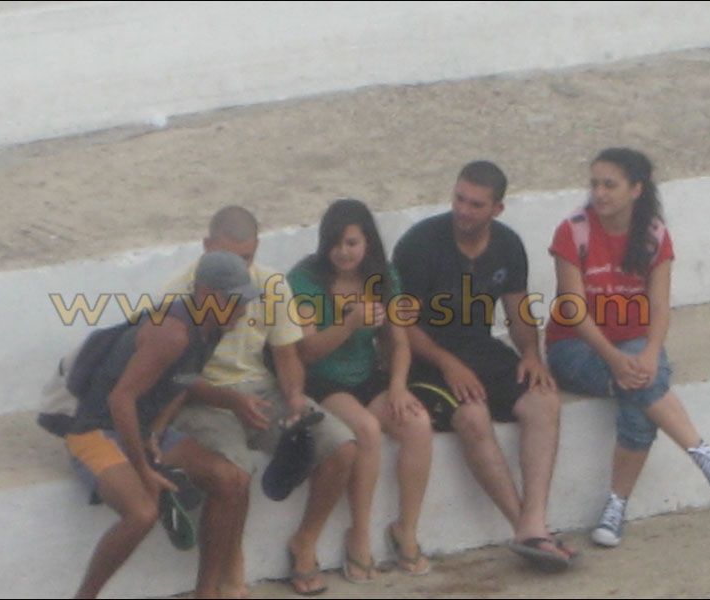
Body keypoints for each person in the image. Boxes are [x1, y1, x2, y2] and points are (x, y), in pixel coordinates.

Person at [545, 147, 710, 547]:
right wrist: (615, 359)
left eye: (610, 185)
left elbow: (660, 306)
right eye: (595, 184)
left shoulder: (653, 235)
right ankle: (700, 451)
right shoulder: (573, 231)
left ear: (636, 189)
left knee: (640, 387)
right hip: (575, 345)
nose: (599, 193)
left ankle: (615, 507)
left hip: (633, 339)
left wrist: (650, 352)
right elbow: (574, 311)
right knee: (638, 383)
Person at [392, 161, 577, 570]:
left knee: (544, 399)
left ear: (497, 209)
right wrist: (448, 364)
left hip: (479, 348)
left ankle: (533, 525)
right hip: (424, 358)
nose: (463, 210)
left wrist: (531, 355)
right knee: (472, 415)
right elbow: (402, 326)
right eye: (459, 198)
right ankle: (529, 532)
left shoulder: (507, 244)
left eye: (476, 204)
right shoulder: (420, 243)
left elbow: (518, 312)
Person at [167, 206, 357, 597]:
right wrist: (232, 400)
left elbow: (287, 355)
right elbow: (177, 379)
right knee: (235, 471)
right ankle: (231, 559)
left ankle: (305, 542)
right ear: (206, 247)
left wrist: (295, 397)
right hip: (204, 397)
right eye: (229, 258)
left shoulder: (270, 284)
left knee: (341, 446)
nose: (240, 268)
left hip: (262, 390)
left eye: (247, 257)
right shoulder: (178, 293)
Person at [64, 251, 260, 599]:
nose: (243, 310)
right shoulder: (172, 333)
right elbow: (120, 399)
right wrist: (143, 467)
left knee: (233, 480)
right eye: (236, 301)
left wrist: (157, 431)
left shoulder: (212, 327)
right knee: (142, 513)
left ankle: (206, 593)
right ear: (207, 294)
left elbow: (179, 382)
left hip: (143, 430)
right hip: (97, 431)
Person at [287, 198, 433, 582]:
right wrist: (350, 323)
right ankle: (360, 535)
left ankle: (406, 529)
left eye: (351, 243)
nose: (343, 252)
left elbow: (398, 344)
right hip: (323, 379)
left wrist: (398, 386)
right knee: (366, 429)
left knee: (417, 422)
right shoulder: (305, 279)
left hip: (369, 373)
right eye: (334, 243)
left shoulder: (382, 277)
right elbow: (308, 350)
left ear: (367, 241)